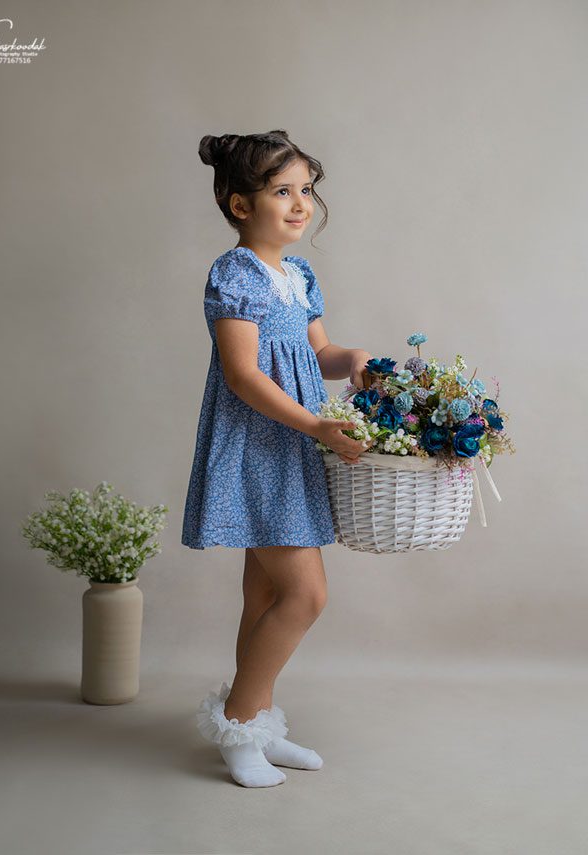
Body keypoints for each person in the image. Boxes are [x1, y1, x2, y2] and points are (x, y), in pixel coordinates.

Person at [182, 129, 374, 787]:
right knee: (304, 593)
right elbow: (242, 375)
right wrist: (317, 424)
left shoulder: (299, 275)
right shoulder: (236, 274)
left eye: (306, 190)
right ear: (241, 205)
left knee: (263, 594)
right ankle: (239, 723)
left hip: (293, 446)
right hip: (258, 447)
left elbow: (319, 355)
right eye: (282, 191)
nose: (300, 204)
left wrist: (354, 361)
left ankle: (256, 725)